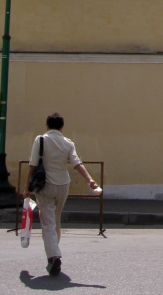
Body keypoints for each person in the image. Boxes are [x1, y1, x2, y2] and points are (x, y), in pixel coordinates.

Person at [24, 113, 99, 276]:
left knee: (48, 222)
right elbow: (76, 163)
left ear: (47, 126)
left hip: (45, 186)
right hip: (63, 185)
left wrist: (26, 187)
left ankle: (54, 256)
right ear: (62, 127)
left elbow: (32, 165)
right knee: (56, 219)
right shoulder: (68, 143)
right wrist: (90, 180)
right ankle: (54, 252)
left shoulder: (40, 140)